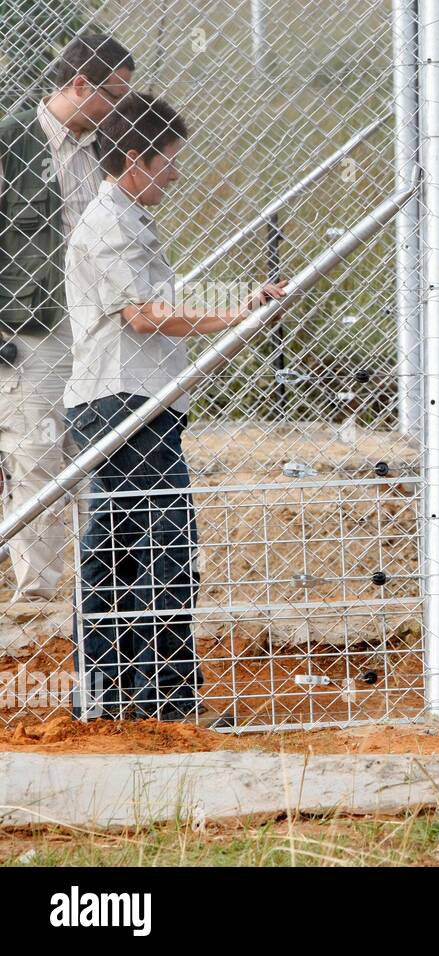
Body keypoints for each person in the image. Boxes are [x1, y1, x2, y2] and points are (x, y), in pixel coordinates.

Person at [63, 93, 286, 720]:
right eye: (168, 160)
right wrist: (234, 315)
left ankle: (119, 701)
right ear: (135, 159)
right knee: (159, 547)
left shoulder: (128, 217)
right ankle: (157, 704)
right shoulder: (110, 223)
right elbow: (146, 315)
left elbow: (153, 305)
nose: (176, 172)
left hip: (133, 400)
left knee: (125, 549)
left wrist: (237, 302)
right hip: (121, 404)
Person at [0, 35, 133, 623]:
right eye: (113, 95)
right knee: (35, 450)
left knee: (97, 447)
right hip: (35, 322)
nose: (120, 109)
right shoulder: (12, 141)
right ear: (79, 85)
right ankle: (36, 600)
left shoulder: (109, 145)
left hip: (100, 320)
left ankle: (95, 593)